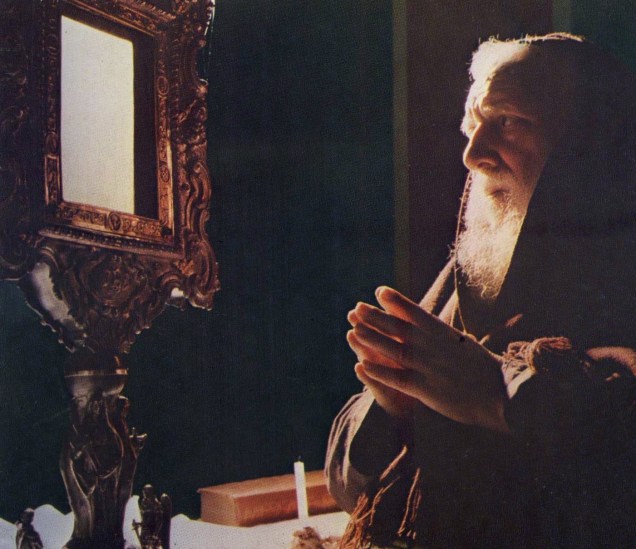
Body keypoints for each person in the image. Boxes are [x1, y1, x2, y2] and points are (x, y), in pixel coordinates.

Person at [326, 33, 636, 549]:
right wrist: (393, 409)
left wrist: (497, 396)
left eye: (508, 121)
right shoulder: (476, 269)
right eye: (473, 126)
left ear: (587, 146)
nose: (473, 154)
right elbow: (347, 487)